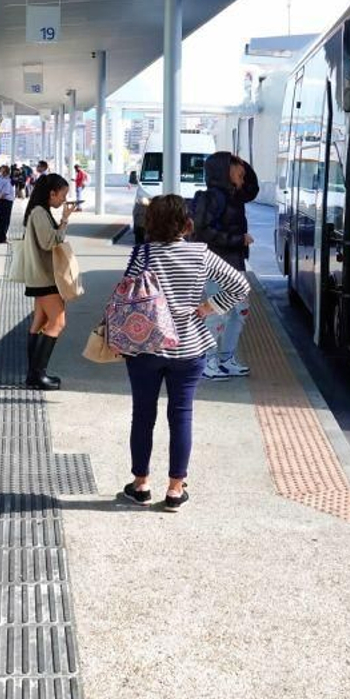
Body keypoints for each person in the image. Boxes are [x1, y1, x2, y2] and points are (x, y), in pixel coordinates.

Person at [120, 194, 251, 512]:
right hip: (190, 347)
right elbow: (240, 285)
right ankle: (175, 490)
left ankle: (141, 486)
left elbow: (126, 291)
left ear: (151, 224)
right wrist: (209, 307)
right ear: (186, 224)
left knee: (143, 415)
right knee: (181, 416)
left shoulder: (144, 253)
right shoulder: (200, 255)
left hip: (146, 346)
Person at [190, 152, 260, 379]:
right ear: (224, 172)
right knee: (217, 312)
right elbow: (202, 232)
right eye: (237, 170)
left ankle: (225, 359)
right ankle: (207, 361)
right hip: (216, 265)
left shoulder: (234, 196)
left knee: (239, 311)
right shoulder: (212, 198)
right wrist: (238, 240)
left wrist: (240, 162)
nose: (242, 175)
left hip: (234, 262)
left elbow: (253, 188)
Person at [20, 172, 77, 389]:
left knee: (40, 322)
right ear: (51, 193)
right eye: (62, 195)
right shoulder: (40, 213)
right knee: (58, 322)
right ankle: (38, 374)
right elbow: (49, 242)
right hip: (45, 277)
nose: (63, 200)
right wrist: (64, 221)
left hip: (39, 275)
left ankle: (33, 375)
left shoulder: (37, 211)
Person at [0, 164, 16, 243]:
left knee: (1, 220)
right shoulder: (6, 181)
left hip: (1, 202)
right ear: (7, 173)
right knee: (5, 220)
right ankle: (2, 238)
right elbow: (4, 193)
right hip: (6, 201)